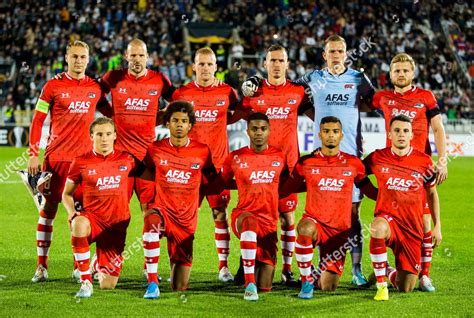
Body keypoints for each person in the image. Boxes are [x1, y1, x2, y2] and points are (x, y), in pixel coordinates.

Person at [242, 35, 376, 286]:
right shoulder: (313, 78)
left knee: (353, 214)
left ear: (346, 53)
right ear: (324, 55)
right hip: (320, 159)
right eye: (331, 51)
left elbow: (375, 104)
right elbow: (285, 85)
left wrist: (354, 122)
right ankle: (314, 265)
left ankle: (356, 269)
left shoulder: (359, 78)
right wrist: (256, 81)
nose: (336, 55)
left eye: (340, 51)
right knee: (319, 213)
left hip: (350, 155)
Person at [27, 40, 110, 283]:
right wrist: (34, 153)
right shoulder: (52, 86)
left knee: (82, 214)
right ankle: (42, 266)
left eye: (83, 57)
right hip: (56, 160)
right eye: (74, 56)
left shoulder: (95, 88)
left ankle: (78, 266)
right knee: (48, 211)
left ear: (88, 59)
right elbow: (37, 120)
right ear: (67, 58)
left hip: (85, 163)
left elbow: (112, 115)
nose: (78, 61)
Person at [372, 53, 447, 292]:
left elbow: (438, 128)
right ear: (390, 74)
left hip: (418, 169)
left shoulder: (425, 97)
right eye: (397, 71)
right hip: (393, 168)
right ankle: (384, 270)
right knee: (385, 223)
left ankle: (424, 275)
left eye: (405, 70)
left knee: (425, 221)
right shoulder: (381, 97)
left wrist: (442, 160)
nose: (401, 74)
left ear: (412, 73)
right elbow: (358, 101)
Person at [235, 45, 309, 284]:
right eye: (272, 60)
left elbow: (317, 113)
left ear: (288, 64)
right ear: (265, 63)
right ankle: (245, 263)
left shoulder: (298, 92)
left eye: (281, 60)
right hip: (257, 167)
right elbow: (238, 115)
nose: (277, 65)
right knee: (252, 217)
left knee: (287, 218)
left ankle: (287, 270)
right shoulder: (254, 92)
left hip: (287, 168)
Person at [280, 116, 377, 299]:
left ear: (341, 135)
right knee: (305, 228)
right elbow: (287, 189)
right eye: (326, 131)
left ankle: (316, 276)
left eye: (334, 132)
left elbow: (370, 190)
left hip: (339, 231)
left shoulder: (354, 164)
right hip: (315, 222)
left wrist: (394, 197)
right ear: (320, 135)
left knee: (328, 287)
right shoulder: (307, 162)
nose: (330, 136)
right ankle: (306, 282)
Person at [171, 47, 239, 282]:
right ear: (194, 67)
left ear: (216, 67)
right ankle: (179, 266)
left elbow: (238, 113)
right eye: (201, 64)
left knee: (220, 214)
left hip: (217, 167)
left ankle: (223, 267)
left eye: (210, 64)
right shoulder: (182, 93)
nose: (206, 69)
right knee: (183, 217)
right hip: (187, 168)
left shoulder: (228, 92)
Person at [63, 117, 147, 298]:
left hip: (117, 225)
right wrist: (72, 214)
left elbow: (152, 175)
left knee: (108, 285)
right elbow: (66, 194)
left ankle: (95, 265)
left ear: (115, 136)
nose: (104, 138)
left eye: (108, 134)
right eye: (99, 134)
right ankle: (85, 281)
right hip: (93, 220)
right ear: (91, 137)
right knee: (78, 224)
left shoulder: (128, 159)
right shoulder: (80, 162)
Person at [140, 101, 216, 299]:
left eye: (184, 121)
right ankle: (152, 282)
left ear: (191, 125)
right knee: (151, 224)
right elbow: (143, 174)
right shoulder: (155, 149)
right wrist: (147, 203)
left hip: (186, 221)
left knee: (179, 286)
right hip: (162, 212)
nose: (179, 125)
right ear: (167, 123)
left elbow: (213, 181)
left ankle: (167, 278)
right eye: (175, 120)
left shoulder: (203, 151)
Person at [364, 115, 441, 301]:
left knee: (405, 287)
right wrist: (375, 193)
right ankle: (382, 286)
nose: (401, 134)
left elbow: (431, 194)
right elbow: (358, 173)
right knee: (377, 227)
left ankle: (386, 270)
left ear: (412, 135)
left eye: (405, 131)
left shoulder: (424, 162)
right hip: (388, 221)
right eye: (397, 131)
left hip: (411, 228)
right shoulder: (377, 157)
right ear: (389, 134)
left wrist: (437, 226)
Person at [219, 112, 287, 301]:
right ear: (247, 131)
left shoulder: (280, 156)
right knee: (250, 224)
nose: (259, 133)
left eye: (263, 129)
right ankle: (249, 284)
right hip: (243, 215)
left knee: (265, 286)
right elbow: (219, 183)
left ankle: (247, 268)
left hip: (269, 223)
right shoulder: (235, 157)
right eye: (254, 129)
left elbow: (289, 183)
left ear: (269, 131)